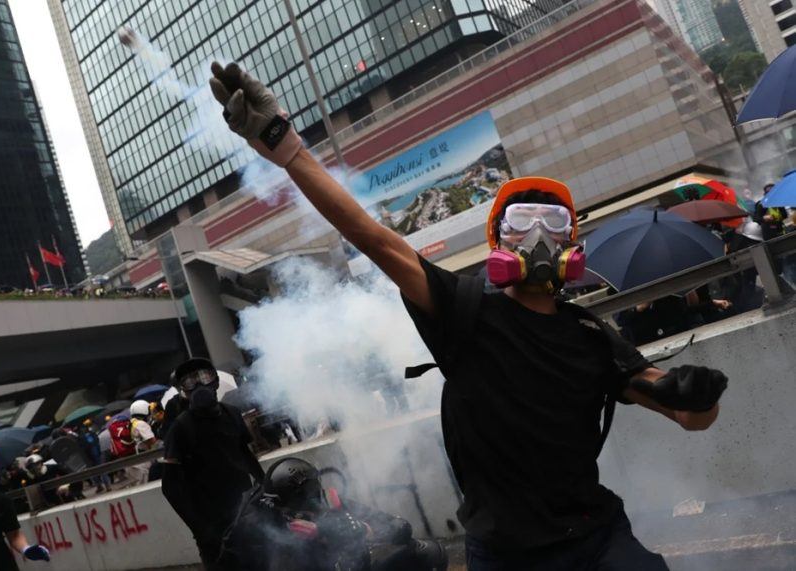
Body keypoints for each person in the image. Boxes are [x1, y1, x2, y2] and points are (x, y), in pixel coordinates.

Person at [207, 63, 728, 570]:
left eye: (554, 222)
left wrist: (698, 395)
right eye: (523, 222)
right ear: (498, 239)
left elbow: (688, 416)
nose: (539, 236)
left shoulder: (591, 336)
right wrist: (286, 146)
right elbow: (371, 236)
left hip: (597, 538)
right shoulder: (462, 310)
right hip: (506, 554)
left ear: (572, 241)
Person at [222, 457, 448, 571]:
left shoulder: (328, 502)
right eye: (304, 508)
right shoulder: (264, 529)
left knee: (427, 552)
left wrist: (363, 530)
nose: (313, 509)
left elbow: (400, 528)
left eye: (315, 500)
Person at [161, 357, 266, 570]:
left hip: (246, 511)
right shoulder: (180, 428)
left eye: (204, 377)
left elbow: (246, 456)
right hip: (212, 524)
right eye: (190, 382)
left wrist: (266, 488)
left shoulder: (232, 414)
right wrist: (200, 529)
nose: (199, 385)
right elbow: (170, 487)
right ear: (183, 390)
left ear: (216, 381)